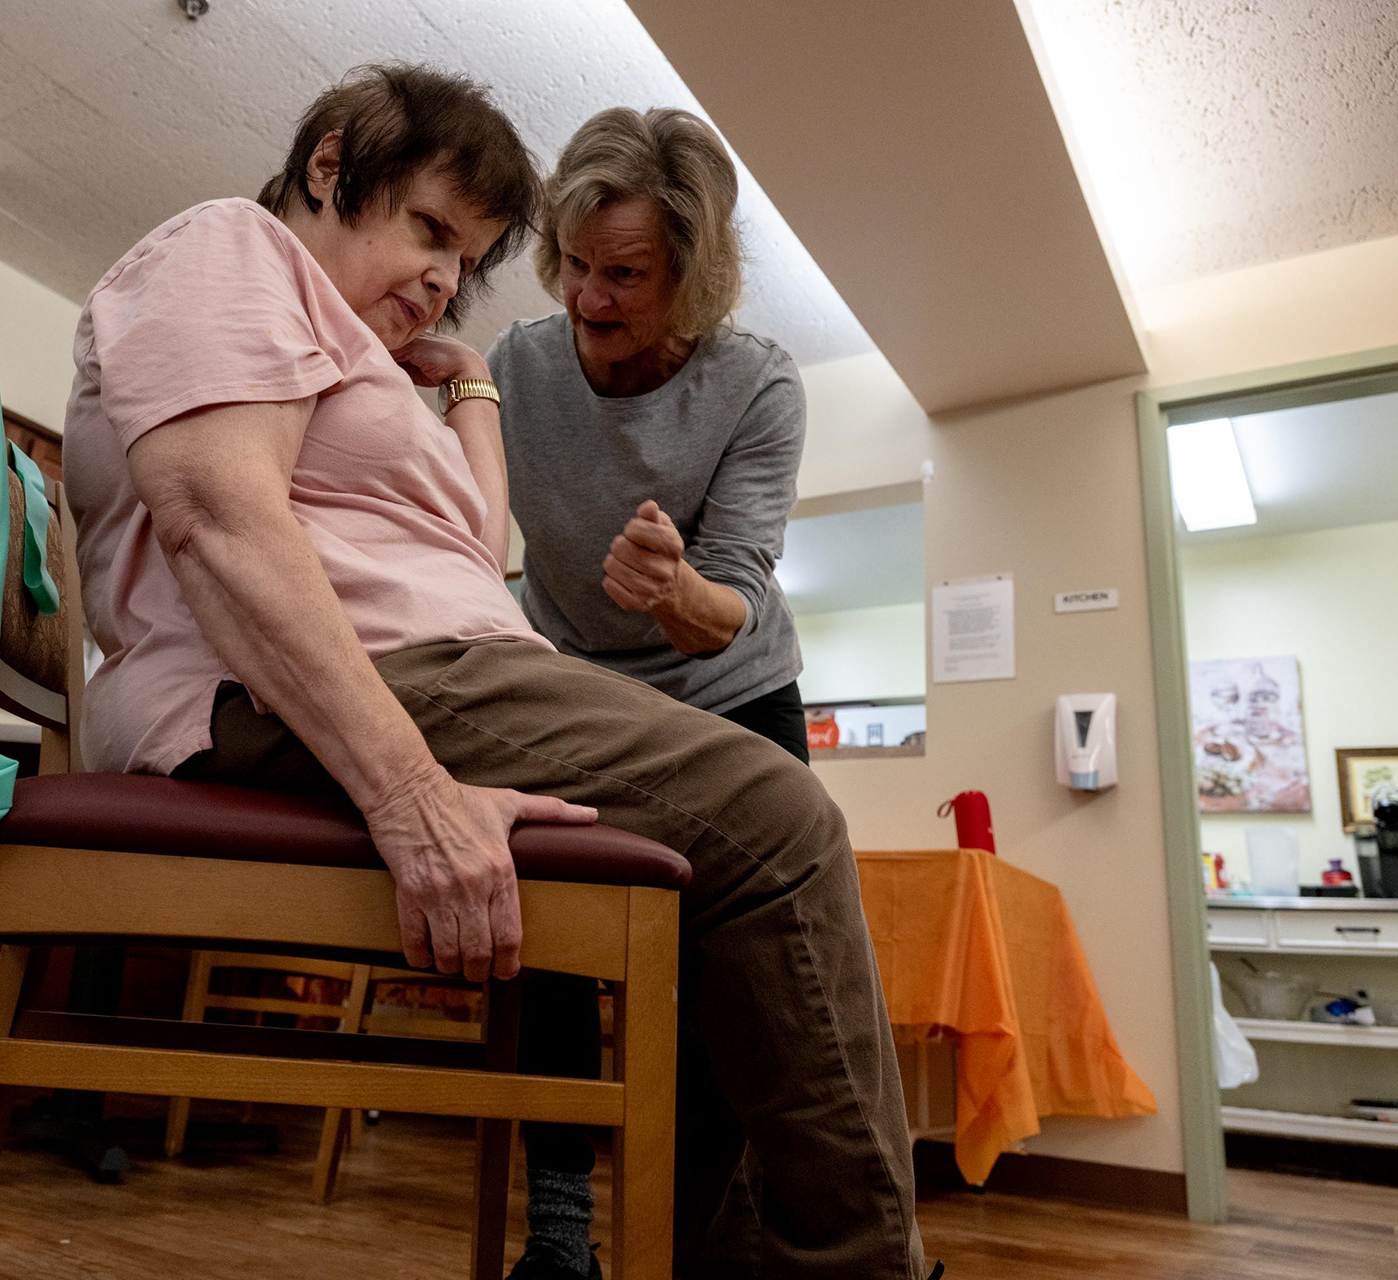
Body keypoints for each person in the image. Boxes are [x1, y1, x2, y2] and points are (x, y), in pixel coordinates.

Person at [61, 63, 927, 1280]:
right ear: (329, 166)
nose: (442, 277)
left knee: (747, 870)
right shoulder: (233, 248)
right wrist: (411, 795)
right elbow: (216, 518)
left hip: (520, 656)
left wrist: (454, 381)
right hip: (329, 677)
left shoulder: (376, 353)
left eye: (464, 258)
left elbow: (470, 547)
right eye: (427, 229)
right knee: (782, 823)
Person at [482, 107, 813, 1277]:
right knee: (557, 940)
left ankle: (690, 1242)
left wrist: (674, 592)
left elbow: (736, 592)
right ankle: (562, 1238)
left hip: (729, 691)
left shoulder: (759, 386)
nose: (589, 297)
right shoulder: (516, 365)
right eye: (575, 263)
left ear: (696, 276)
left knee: (735, 979)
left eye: (624, 274)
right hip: (572, 687)